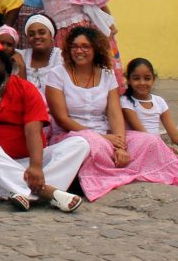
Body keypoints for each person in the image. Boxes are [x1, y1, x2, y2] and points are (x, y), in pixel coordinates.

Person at [45, 27, 178, 201]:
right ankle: (95, 176)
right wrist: (102, 138)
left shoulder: (107, 75)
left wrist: (121, 145)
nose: (79, 51)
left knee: (150, 140)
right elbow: (62, 119)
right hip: (73, 136)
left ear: (96, 49)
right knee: (91, 142)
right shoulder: (57, 75)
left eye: (85, 46)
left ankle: (112, 168)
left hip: (107, 136)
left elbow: (115, 114)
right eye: (75, 46)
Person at [0, 37, 87, 212]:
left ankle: (22, 192)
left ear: (3, 61)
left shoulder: (25, 89)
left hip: (28, 163)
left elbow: (33, 130)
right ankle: (48, 192)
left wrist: (36, 166)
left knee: (80, 144)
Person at [122, 58, 178, 153]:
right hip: (138, 148)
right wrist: (164, 149)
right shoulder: (126, 101)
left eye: (147, 78)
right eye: (136, 78)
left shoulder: (159, 101)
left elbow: (174, 135)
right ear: (129, 80)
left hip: (157, 147)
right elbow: (143, 133)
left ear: (153, 79)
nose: (142, 83)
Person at [21, 14, 62, 97]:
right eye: (31, 34)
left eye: (42, 32)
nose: (36, 36)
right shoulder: (20, 57)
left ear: (51, 35)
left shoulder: (63, 57)